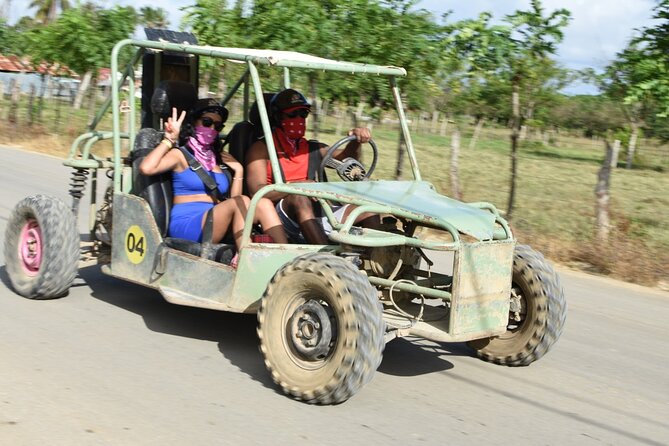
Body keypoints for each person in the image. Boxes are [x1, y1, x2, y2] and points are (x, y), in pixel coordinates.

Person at [139, 98, 288, 251]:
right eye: (206, 122)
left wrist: (239, 170)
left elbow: (235, 201)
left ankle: (285, 256)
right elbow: (146, 168)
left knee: (263, 203)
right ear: (194, 122)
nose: (211, 128)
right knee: (242, 200)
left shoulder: (216, 158)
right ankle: (246, 261)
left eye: (217, 126)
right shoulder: (180, 155)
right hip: (188, 222)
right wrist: (169, 140)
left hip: (216, 219)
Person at [246, 89, 379, 244]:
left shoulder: (312, 147)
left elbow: (347, 158)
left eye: (303, 114)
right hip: (280, 218)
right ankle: (327, 258)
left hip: (317, 211)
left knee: (368, 207)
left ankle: (378, 259)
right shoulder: (261, 149)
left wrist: (355, 140)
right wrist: (297, 186)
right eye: (292, 115)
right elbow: (257, 191)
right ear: (278, 117)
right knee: (299, 196)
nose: (299, 119)